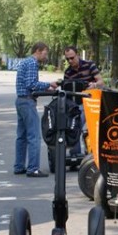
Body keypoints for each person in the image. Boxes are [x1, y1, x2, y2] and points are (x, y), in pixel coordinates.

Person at [14, 42, 57, 177]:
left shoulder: (25, 62)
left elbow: (27, 83)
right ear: (38, 51)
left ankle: (19, 166)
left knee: (21, 136)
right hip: (27, 102)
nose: (46, 56)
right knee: (34, 136)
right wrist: (48, 84)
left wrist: (44, 88)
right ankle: (33, 168)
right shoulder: (32, 63)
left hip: (20, 100)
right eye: (45, 52)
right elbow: (31, 84)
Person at [63, 46, 104, 156]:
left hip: (91, 102)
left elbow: (101, 81)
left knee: (77, 122)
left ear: (77, 55)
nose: (70, 61)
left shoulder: (89, 65)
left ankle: (90, 150)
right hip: (76, 103)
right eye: (67, 59)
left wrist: (94, 84)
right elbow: (66, 91)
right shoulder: (68, 72)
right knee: (72, 122)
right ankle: (75, 154)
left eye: (72, 58)